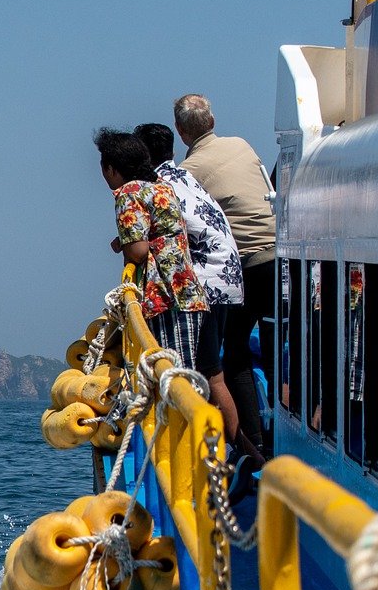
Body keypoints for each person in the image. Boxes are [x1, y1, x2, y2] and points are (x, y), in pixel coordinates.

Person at [132, 122, 262, 465]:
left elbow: (158, 238)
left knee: (204, 372)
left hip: (203, 284)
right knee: (215, 368)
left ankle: (232, 451)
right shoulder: (184, 176)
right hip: (227, 276)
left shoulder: (157, 186)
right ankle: (245, 449)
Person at [174, 94, 275, 459]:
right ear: (213, 121)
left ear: (181, 132)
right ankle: (294, 429)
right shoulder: (242, 145)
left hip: (246, 265)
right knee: (281, 351)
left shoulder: (190, 171)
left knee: (232, 356)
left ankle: (254, 444)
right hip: (282, 256)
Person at [94, 128, 209, 371]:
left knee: (168, 374)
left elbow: (138, 250)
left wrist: (125, 245)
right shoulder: (162, 188)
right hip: (188, 292)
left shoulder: (128, 193)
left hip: (162, 296)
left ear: (112, 169)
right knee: (188, 375)